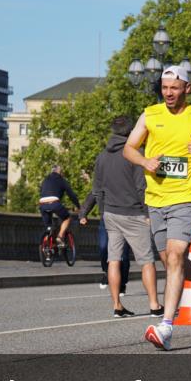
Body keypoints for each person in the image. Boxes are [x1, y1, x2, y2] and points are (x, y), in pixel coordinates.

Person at [125, 65, 191, 351]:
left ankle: (166, 326)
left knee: (176, 256)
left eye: (174, 87)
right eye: (165, 87)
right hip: (156, 198)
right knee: (169, 259)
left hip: (187, 196)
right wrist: (145, 162)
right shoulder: (150, 114)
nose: (168, 92)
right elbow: (129, 148)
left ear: (187, 89)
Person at [81, 116, 161, 318]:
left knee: (113, 260)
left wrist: (102, 212)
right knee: (146, 261)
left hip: (110, 214)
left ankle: (117, 305)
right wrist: (147, 213)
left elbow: (97, 189)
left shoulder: (101, 157)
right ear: (131, 132)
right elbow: (141, 187)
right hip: (134, 213)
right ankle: (154, 305)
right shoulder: (135, 154)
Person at [79, 140, 131, 300]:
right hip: (106, 220)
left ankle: (122, 283)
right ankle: (106, 272)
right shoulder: (102, 182)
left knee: (123, 254)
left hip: (125, 218)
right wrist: (83, 214)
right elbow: (92, 196)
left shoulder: (125, 182)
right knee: (103, 249)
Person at [38, 165, 81, 245]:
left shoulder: (45, 180)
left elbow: (42, 192)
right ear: (60, 172)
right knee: (67, 218)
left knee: (49, 227)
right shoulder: (61, 180)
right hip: (54, 203)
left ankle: (46, 242)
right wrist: (78, 206)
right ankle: (60, 237)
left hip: (42, 204)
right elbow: (71, 195)